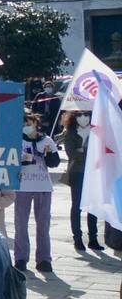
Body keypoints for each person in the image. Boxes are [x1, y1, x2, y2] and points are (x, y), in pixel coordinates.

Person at [13, 112, 58, 274]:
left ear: (35, 124)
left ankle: (44, 259)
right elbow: (11, 162)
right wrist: (22, 159)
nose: (26, 126)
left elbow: (55, 163)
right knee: (21, 224)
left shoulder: (47, 140)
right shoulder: (18, 141)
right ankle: (20, 258)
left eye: (29, 123)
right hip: (23, 186)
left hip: (43, 186)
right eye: (23, 124)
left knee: (43, 225)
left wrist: (49, 154)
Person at [60, 108, 105, 254]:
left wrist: (83, 151)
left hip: (94, 173)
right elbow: (71, 153)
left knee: (93, 205)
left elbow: (100, 151)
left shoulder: (96, 131)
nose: (83, 117)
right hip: (77, 172)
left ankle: (93, 239)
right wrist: (88, 153)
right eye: (79, 115)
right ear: (74, 116)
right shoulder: (70, 132)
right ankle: (77, 239)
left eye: (86, 114)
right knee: (77, 205)